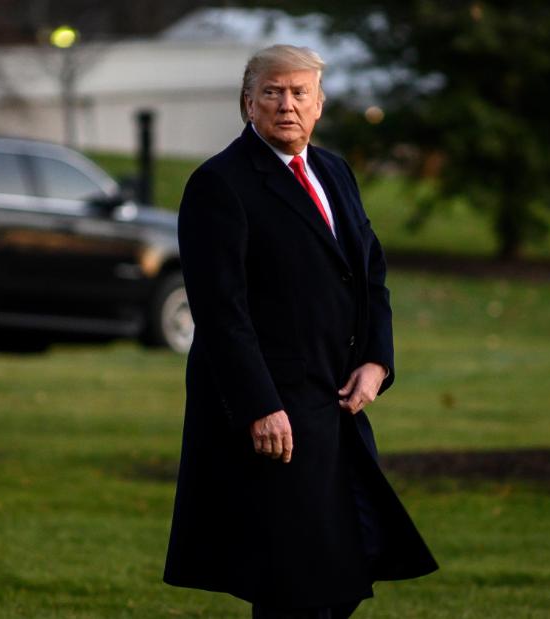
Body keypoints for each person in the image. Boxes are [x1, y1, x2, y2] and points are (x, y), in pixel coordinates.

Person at [163, 44, 438, 618]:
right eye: (272, 92)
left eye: (298, 93)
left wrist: (377, 360)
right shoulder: (220, 183)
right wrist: (259, 405)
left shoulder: (334, 170)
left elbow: (370, 270)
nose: (286, 105)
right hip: (274, 415)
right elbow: (220, 312)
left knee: (341, 569)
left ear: (319, 104)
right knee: (295, 585)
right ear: (248, 103)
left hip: (336, 405)